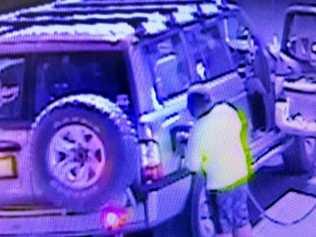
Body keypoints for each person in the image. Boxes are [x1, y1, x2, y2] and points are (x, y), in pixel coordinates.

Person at [186, 87, 254, 237]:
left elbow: (193, 165)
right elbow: (241, 126)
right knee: (241, 218)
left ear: (193, 108)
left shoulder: (197, 130)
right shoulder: (228, 110)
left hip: (220, 184)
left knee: (223, 225)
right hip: (240, 175)